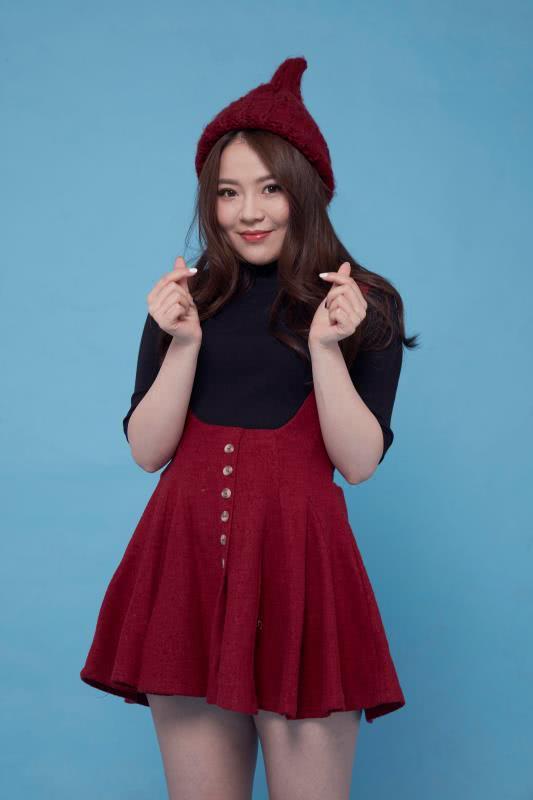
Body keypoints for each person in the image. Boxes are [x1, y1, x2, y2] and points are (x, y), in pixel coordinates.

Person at [80, 56, 417, 800]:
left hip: (302, 581)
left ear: (306, 190)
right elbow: (147, 452)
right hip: (185, 580)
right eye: (227, 193)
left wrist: (326, 350)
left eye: (269, 188)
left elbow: (358, 462)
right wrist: (182, 344)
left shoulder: (363, 303)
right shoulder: (185, 300)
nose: (248, 212)